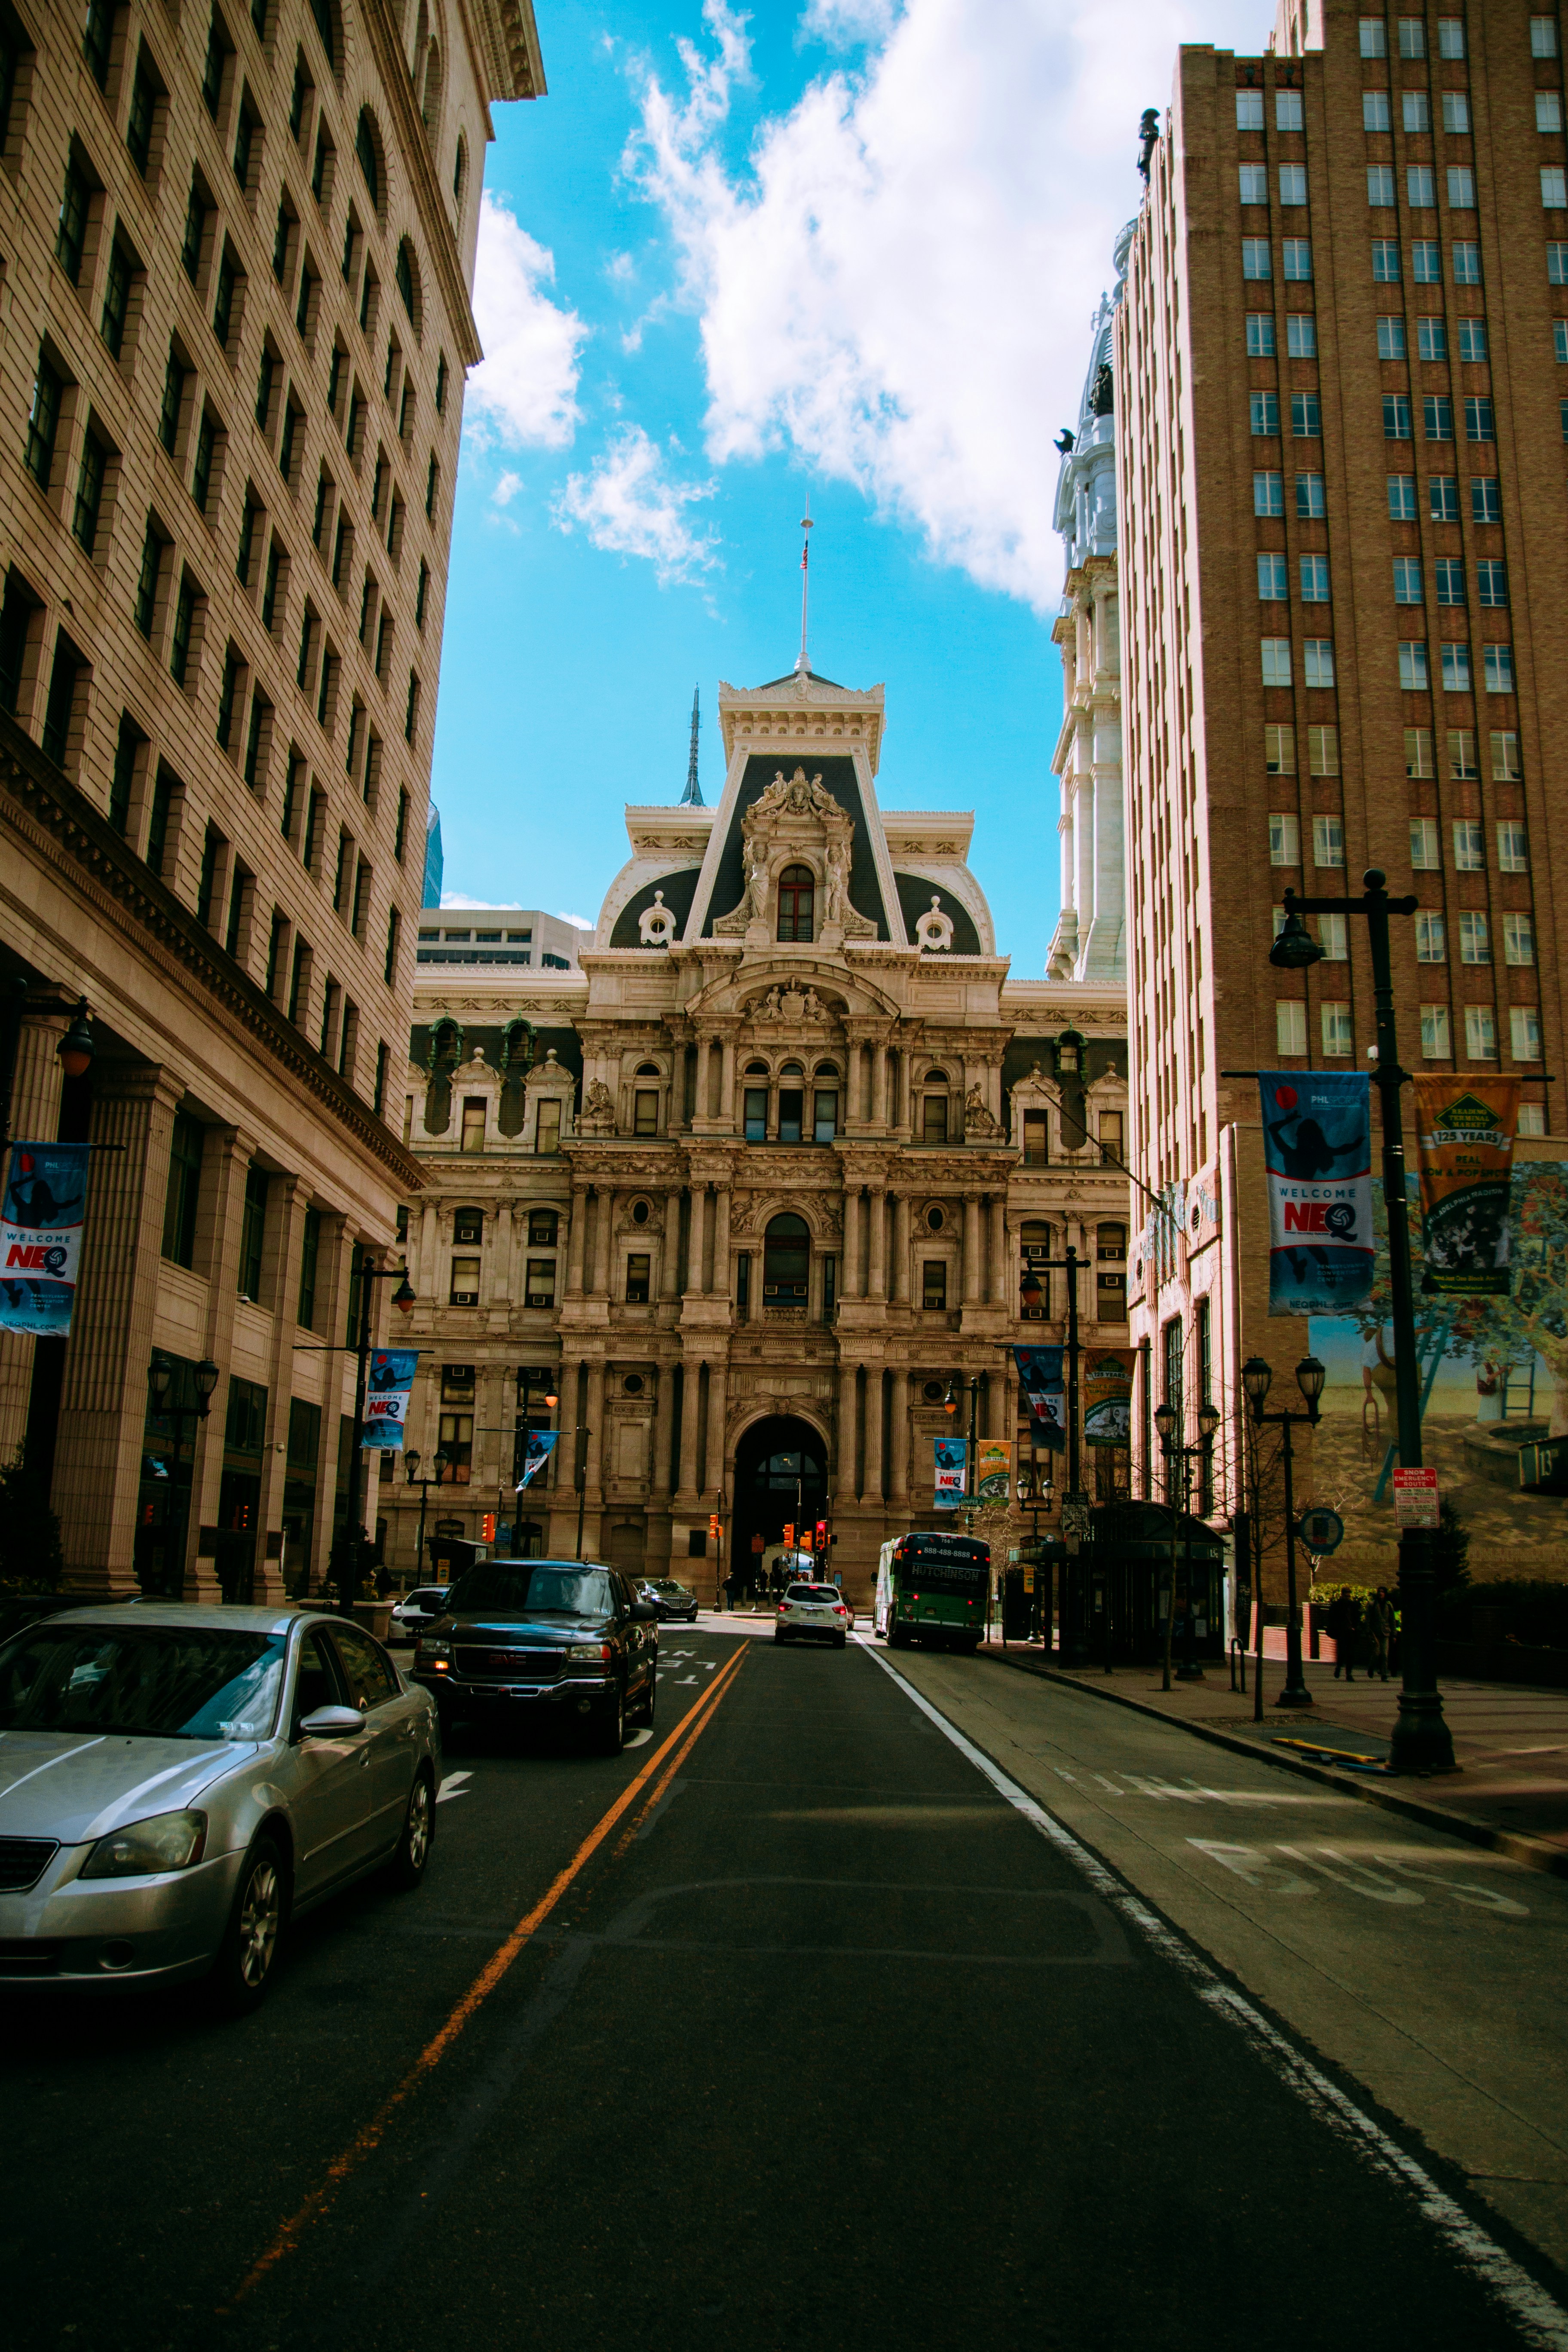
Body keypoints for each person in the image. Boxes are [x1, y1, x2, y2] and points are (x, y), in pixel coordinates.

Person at [1326, 1584, 1359, 1680]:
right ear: (1342, 1595)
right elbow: (1332, 1618)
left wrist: (1354, 1628)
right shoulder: (1337, 1605)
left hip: (1350, 1632)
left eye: (1349, 1596)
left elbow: (1356, 1618)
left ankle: (1349, 1673)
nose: (1347, 1598)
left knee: (1351, 1653)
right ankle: (1339, 1667)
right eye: (1346, 1596)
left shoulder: (1353, 1605)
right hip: (1341, 1632)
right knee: (1342, 1652)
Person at [1368, 1586, 1394, 1683]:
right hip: (1375, 1633)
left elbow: (1392, 1621)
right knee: (1376, 1653)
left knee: (1385, 1655)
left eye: (1383, 1592)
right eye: (1379, 1592)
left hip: (1386, 1632)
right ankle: (1371, 1667)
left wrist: (1394, 1634)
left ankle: (1384, 1674)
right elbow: (1368, 1619)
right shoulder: (1372, 1605)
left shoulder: (1389, 1605)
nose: (1381, 1593)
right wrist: (1368, 1632)